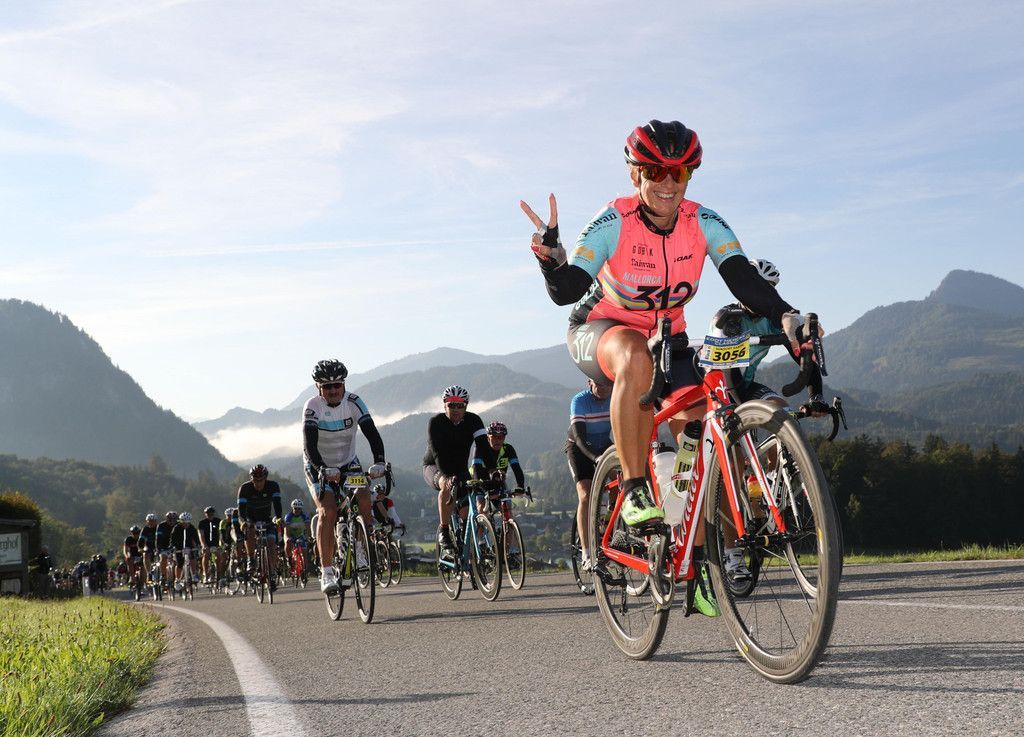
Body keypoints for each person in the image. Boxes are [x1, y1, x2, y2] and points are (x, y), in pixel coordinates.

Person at [522, 119, 821, 615]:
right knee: (635, 358)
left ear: (689, 176)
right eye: (655, 171)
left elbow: (743, 279)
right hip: (599, 329)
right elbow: (568, 289)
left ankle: (698, 559)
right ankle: (635, 489)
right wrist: (551, 260)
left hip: (669, 337)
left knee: (701, 433)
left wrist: (788, 316)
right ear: (635, 174)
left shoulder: (703, 222)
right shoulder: (614, 221)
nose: (667, 182)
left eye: (679, 172)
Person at [302, 359, 388, 594]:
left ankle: (360, 550)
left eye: (337, 385)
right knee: (327, 510)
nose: (333, 391)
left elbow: (372, 434)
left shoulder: (354, 402)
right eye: (327, 386)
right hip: (317, 464)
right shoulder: (312, 406)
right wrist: (322, 468)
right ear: (318, 387)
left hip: (348, 462)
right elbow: (309, 444)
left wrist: (379, 461)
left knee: (364, 498)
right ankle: (326, 572)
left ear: (344, 384)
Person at [422, 385, 497, 558]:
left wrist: (493, 470)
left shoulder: (474, 420)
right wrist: (447, 477)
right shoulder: (436, 422)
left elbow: (484, 447)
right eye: (451, 405)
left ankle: (465, 549)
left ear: (466, 406)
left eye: (460, 405)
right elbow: (437, 453)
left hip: (460, 469)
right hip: (435, 467)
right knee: (446, 485)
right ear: (444, 405)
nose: (456, 409)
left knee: (466, 510)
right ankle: (444, 531)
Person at [565, 378, 613, 571]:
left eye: (608, 384)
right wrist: (596, 458)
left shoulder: (615, 395)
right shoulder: (580, 400)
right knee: (585, 494)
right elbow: (579, 437)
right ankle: (586, 553)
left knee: (623, 479)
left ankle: (608, 523)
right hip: (579, 448)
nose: (604, 388)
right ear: (589, 383)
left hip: (604, 444)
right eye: (599, 384)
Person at [237, 464, 283, 592]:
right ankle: (251, 559)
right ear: (251, 479)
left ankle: (271, 573)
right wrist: (243, 522)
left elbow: (277, 505)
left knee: (272, 544)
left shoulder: (273, 486)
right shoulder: (245, 488)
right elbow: (241, 511)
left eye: (260, 480)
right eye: (255, 480)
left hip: (267, 519)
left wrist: (279, 518)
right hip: (250, 518)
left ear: (265, 478)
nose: (258, 483)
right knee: (249, 530)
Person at [170, 512, 201, 588]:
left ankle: (193, 575)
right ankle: (177, 579)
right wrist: (172, 547)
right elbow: (172, 539)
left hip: (189, 546)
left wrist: (198, 545)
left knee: (193, 558)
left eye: (187, 522)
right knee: (179, 563)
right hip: (179, 548)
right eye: (184, 522)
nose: (186, 524)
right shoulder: (176, 528)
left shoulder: (192, 528)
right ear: (181, 521)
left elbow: (196, 538)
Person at [283, 498, 311, 576]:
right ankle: (289, 559)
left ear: (301, 509)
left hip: (300, 535)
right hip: (290, 534)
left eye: (299, 509)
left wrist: (308, 537)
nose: (297, 510)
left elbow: (308, 528)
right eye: (295, 508)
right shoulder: (288, 516)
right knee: (287, 543)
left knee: (305, 553)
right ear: (292, 508)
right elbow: (286, 531)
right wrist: (288, 538)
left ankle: (305, 571)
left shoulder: (304, 516)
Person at [197, 506, 224, 584]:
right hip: (206, 544)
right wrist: (204, 545)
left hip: (216, 543)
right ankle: (205, 574)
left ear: (213, 513)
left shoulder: (218, 521)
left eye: (211, 513)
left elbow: (221, 534)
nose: (210, 515)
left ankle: (219, 573)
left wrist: (220, 545)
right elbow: (201, 535)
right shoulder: (202, 523)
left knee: (219, 556)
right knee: (206, 555)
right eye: (208, 513)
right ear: (205, 514)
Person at [155, 511, 177, 589]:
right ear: (167, 519)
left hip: (175, 546)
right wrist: (158, 549)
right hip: (163, 546)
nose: (172, 521)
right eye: (170, 519)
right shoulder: (161, 526)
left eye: (174, 519)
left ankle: (176, 578)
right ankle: (163, 576)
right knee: (163, 558)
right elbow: (158, 539)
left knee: (177, 560)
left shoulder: (178, 525)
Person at [137, 513, 158, 585]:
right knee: (145, 555)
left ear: (156, 521)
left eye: (153, 521)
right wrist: (140, 547)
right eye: (150, 521)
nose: (151, 522)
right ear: (147, 522)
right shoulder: (145, 529)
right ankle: (149, 573)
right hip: (149, 547)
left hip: (159, 547)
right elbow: (141, 540)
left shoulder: (159, 528)